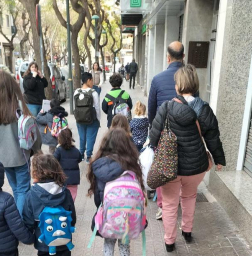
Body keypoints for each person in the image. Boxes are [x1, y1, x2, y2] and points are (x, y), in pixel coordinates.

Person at [149, 64, 226, 252]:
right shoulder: (204, 109)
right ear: (196, 85)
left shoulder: (167, 108)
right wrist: (219, 160)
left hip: (170, 168)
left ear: (177, 86)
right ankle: (188, 231)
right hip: (195, 166)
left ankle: (169, 242)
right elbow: (213, 138)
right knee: (190, 197)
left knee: (169, 204)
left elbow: (153, 137)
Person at [0, 69, 42, 215]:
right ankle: (21, 222)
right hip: (20, 155)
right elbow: (31, 129)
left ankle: (19, 218)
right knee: (23, 189)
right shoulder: (17, 106)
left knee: (16, 188)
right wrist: (37, 150)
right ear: (11, 85)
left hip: (1, 158)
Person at [87, 128, 145, 256]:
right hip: (128, 217)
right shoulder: (132, 164)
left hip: (109, 215)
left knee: (108, 242)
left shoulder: (99, 165)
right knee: (124, 244)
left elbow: (98, 197)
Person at [148, 41, 185, 220]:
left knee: (163, 167)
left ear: (168, 57)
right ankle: (180, 200)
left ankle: (164, 205)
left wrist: (153, 133)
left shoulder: (157, 79)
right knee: (182, 167)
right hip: (186, 132)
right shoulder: (190, 77)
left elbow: (152, 110)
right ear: (183, 57)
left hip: (164, 132)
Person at [22, 154, 76, 256]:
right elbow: (72, 216)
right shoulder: (65, 191)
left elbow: (28, 219)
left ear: (35, 173)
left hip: (43, 243)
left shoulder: (31, 194)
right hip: (64, 239)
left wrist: (30, 235)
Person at [74, 72, 101, 163]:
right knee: (90, 137)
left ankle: (81, 154)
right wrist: (98, 119)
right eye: (92, 80)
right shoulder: (93, 93)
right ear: (88, 80)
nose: (92, 82)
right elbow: (97, 107)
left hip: (79, 119)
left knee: (82, 137)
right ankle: (88, 156)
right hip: (91, 119)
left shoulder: (76, 92)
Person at [53, 128, 83, 201]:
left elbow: (53, 161)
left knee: (62, 198)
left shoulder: (59, 150)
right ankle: (70, 208)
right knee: (71, 198)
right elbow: (79, 159)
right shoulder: (76, 151)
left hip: (61, 179)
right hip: (73, 180)